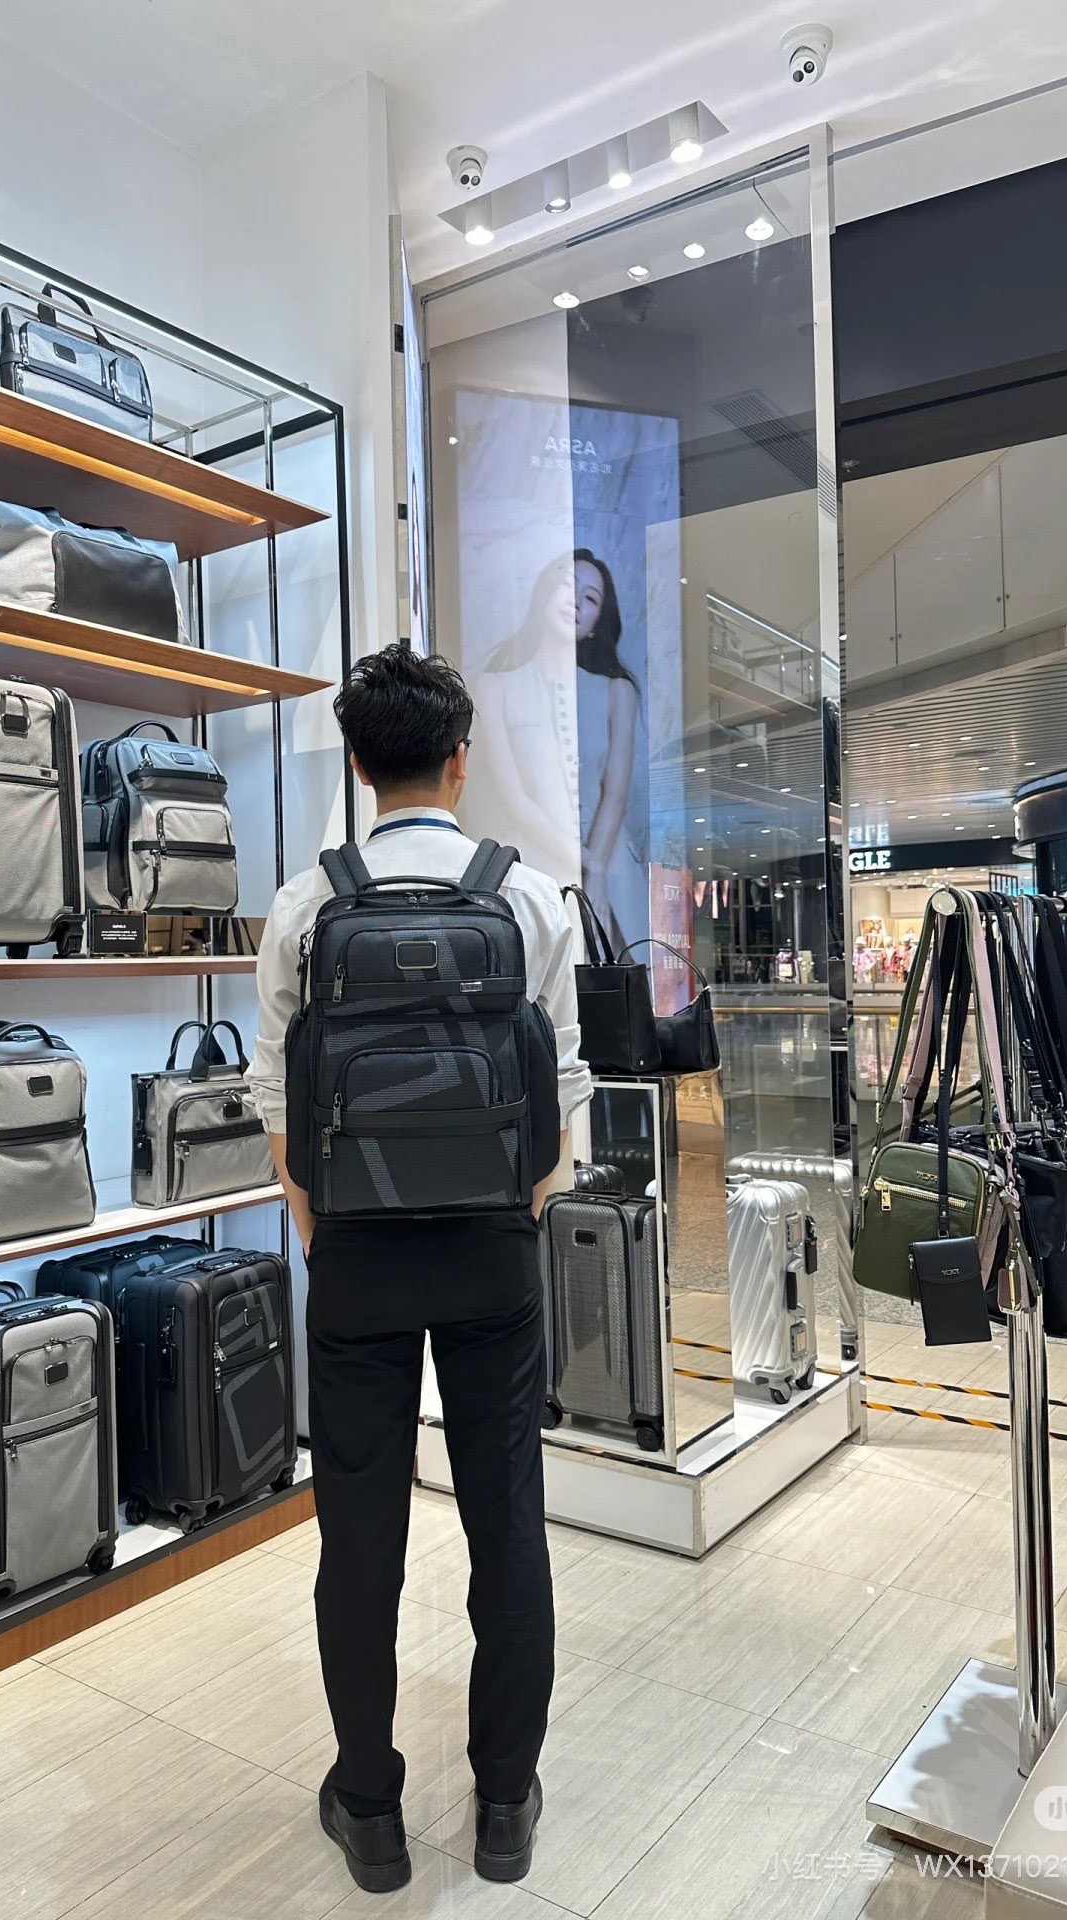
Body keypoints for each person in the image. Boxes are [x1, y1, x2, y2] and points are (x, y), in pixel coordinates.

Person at [250, 645, 592, 1894]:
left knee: (360, 1540)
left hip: (357, 1258)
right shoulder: (529, 899)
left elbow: (277, 1103)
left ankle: (372, 1810)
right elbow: (564, 1098)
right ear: (459, 760)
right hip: (491, 1255)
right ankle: (504, 1804)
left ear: (358, 763)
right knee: (507, 1528)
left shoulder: (306, 906)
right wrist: (512, 1212)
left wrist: (323, 1227)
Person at [467, 549, 646, 951]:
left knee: (614, 978)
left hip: (610, 867)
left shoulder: (617, 692)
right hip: (531, 864)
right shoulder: (494, 687)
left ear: (596, 624)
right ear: (544, 593)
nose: (577, 601)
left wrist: (597, 868)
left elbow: (615, 795)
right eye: (568, 585)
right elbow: (514, 799)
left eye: (591, 598)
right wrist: (584, 861)